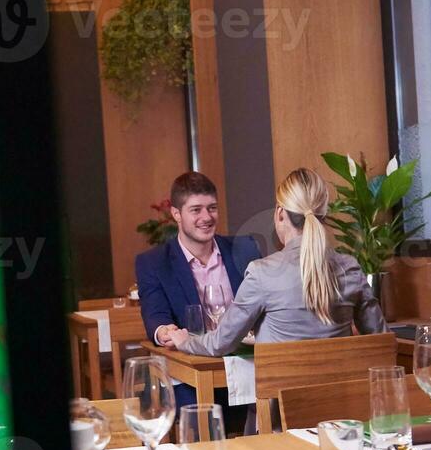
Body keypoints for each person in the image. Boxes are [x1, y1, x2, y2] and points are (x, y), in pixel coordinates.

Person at [156, 167, 386, 358]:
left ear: (279, 213)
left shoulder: (262, 273)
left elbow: (219, 344)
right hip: (342, 405)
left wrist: (186, 341)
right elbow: (380, 341)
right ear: (324, 214)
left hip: (280, 410)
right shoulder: (351, 268)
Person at [135, 171, 260, 410]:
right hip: (191, 369)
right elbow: (155, 316)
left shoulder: (245, 249)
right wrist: (164, 331)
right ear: (176, 214)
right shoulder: (153, 262)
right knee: (195, 408)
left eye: (212, 208)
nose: (206, 217)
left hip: (248, 362)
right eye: (196, 210)